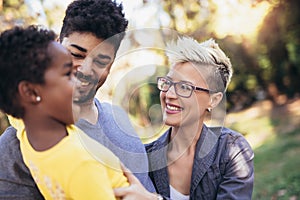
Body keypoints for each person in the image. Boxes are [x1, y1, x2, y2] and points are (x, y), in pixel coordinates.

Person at [0, 0, 154, 199]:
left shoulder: (120, 121)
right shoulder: (15, 143)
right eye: (75, 54)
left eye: (100, 61)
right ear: (56, 44)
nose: (85, 71)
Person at [114, 37, 254, 199]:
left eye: (184, 87)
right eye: (167, 83)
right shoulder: (146, 159)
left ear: (214, 100)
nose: (169, 94)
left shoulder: (231, 150)